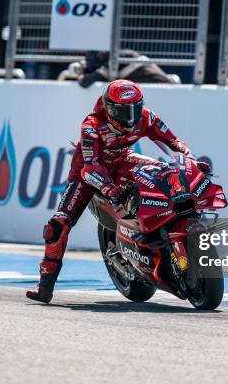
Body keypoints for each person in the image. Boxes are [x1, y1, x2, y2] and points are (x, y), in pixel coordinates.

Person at [26, 79, 209, 303]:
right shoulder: (92, 125)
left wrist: (190, 161)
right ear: (109, 107)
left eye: (135, 108)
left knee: (164, 171)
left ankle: (168, 229)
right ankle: (44, 287)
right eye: (123, 111)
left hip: (124, 161)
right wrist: (110, 190)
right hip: (87, 174)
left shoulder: (146, 117)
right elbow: (91, 166)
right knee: (58, 225)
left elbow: (173, 142)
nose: (130, 117)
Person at [77, 50, 173, 88]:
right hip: (168, 90)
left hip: (165, 91)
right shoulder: (123, 55)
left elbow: (85, 82)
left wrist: (81, 74)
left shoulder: (112, 63)